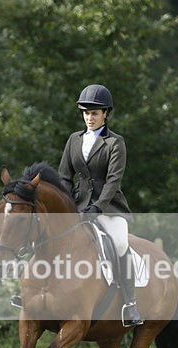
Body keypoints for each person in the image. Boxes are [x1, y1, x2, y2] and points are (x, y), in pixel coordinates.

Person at [58, 84, 143, 326]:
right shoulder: (74, 140)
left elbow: (114, 180)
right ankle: (33, 293)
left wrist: (97, 207)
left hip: (109, 207)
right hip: (77, 206)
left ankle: (130, 303)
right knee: (48, 235)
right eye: (86, 113)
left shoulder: (115, 143)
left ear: (105, 113)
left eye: (94, 113)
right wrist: (67, 205)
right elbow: (64, 175)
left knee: (119, 242)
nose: (89, 117)